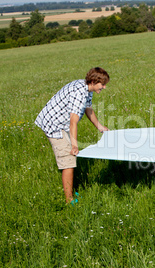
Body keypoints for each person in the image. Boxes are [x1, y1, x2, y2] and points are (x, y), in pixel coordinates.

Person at [35, 67, 110, 203]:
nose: (104, 87)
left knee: (70, 157)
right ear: (93, 81)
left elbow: (88, 109)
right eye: (102, 84)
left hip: (60, 123)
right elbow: (73, 122)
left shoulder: (87, 89)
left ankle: (71, 192)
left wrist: (99, 126)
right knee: (68, 161)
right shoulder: (79, 93)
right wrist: (74, 145)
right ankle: (69, 200)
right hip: (55, 125)